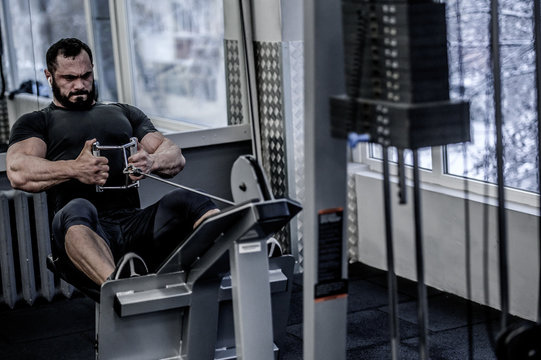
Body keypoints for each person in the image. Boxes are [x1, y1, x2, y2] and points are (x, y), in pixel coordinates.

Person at [6, 38, 219, 290]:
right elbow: (18, 170)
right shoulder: (37, 122)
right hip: (85, 229)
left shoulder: (123, 112)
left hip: (133, 224)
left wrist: (152, 161)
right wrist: (75, 168)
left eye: (86, 76)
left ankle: (238, 251)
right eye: (69, 78)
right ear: (49, 76)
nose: (80, 85)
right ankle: (122, 288)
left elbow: (174, 156)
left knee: (186, 201)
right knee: (76, 207)